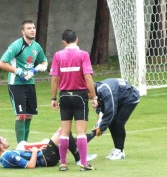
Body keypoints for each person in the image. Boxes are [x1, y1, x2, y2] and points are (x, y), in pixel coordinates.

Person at [50, 29, 98, 171]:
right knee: (81, 132)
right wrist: (94, 96)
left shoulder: (58, 55)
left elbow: (54, 78)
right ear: (77, 39)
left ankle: (63, 164)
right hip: (80, 96)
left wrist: (53, 98)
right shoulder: (83, 55)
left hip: (64, 96)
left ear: (63, 42)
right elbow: (88, 77)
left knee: (64, 132)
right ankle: (83, 163)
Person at [0, 20, 48, 143]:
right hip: (16, 85)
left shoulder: (36, 46)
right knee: (21, 115)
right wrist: (19, 71)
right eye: (29, 28)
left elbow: (44, 61)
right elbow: (1, 63)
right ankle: (20, 145)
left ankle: (25, 143)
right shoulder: (16, 45)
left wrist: (37, 69)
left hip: (30, 84)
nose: (32, 30)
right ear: (23, 31)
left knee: (29, 115)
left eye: (33, 28)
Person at [0, 128, 97, 169]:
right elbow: (30, 165)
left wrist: (37, 149)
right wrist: (35, 151)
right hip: (47, 158)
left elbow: (26, 156)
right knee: (64, 130)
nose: (5, 139)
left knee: (66, 139)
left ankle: (94, 133)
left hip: (44, 154)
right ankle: (79, 158)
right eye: (3, 139)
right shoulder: (8, 156)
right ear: (0, 146)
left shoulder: (4, 157)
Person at [92, 78, 140, 160]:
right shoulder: (98, 90)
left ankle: (120, 152)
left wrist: (102, 127)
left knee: (118, 123)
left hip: (131, 97)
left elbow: (110, 111)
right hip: (120, 99)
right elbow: (102, 110)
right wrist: (99, 124)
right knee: (111, 123)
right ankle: (117, 149)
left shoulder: (105, 90)